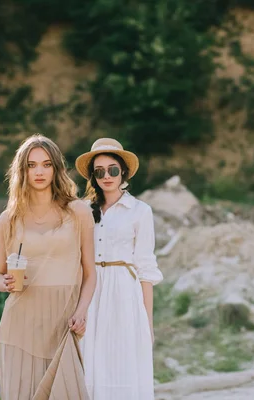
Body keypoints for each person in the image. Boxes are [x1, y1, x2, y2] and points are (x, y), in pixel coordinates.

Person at [0, 134, 96, 400]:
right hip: (20, 323)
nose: (39, 171)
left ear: (56, 169)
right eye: (31, 165)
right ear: (22, 170)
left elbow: (90, 272)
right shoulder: (8, 219)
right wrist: (6, 283)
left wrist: (82, 312)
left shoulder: (78, 212)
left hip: (62, 320)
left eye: (46, 164)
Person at [75, 138, 163, 400]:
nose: (107, 176)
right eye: (99, 171)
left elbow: (146, 268)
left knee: (123, 361)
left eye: (112, 169)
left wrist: (148, 322)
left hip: (125, 293)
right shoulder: (82, 211)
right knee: (91, 360)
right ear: (93, 176)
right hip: (90, 291)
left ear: (123, 171)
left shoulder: (140, 211)